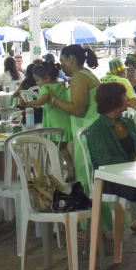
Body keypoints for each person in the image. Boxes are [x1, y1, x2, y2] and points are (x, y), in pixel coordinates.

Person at [85, 82, 136, 253]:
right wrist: (133, 164)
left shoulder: (127, 122)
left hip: (132, 174)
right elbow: (106, 161)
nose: (128, 99)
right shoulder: (96, 130)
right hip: (109, 180)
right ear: (113, 101)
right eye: (124, 96)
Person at [45, 45, 100, 189]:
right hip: (90, 129)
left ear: (71, 59)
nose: (61, 66)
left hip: (89, 132)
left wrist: (53, 99)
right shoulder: (84, 74)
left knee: (87, 178)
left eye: (62, 61)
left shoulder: (79, 77)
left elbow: (77, 108)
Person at [16, 61, 73, 164]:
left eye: (37, 80)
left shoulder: (45, 87)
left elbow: (42, 101)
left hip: (55, 123)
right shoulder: (60, 85)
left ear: (46, 78)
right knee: (62, 147)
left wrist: (27, 104)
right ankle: (69, 167)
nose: (36, 83)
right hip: (65, 121)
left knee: (51, 147)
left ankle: (53, 168)